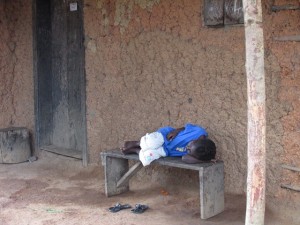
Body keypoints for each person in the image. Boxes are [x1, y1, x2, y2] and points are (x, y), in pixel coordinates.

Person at [120, 123, 216, 166]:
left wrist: (204, 161)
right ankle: (137, 143)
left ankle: (136, 150)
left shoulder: (195, 154)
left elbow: (184, 158)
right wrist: (176, 131)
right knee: (151, 143)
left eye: (189, 151)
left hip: (165, 151)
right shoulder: (198, 131)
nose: (187, 148)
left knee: (146, 159)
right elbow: (185, 127)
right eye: (190, 145)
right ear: (198, 139)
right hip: (164, 137)